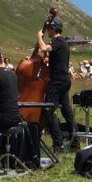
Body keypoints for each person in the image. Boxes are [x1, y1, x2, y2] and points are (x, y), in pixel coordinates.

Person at [36, 17, 75, 153]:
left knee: (48, 110)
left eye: (49, 29)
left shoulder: (57, 41)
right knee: (66, 111)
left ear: (53, 29)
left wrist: (39, 37)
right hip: (65, 80)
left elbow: (43, 47)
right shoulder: (63, 42)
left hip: (57, 81)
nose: (47, 32)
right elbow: (47, 53)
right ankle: (75, 142)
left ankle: (58, 144)